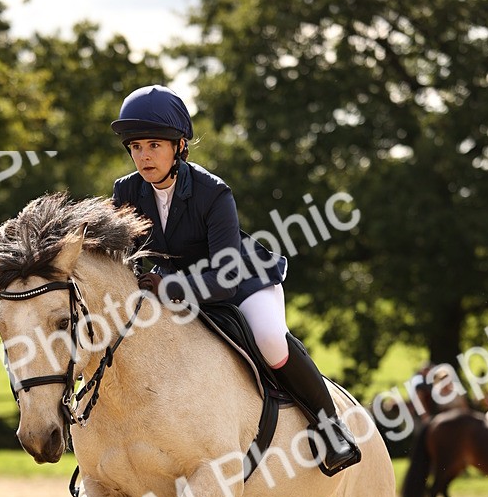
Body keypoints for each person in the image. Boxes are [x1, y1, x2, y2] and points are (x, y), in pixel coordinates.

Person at [110, 84, 360, 476]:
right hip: (171, 289)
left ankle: (333, 429)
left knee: (271, 342)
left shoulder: (213, 192)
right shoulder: (125, 191)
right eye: (136, 147)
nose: (143, 156)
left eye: (154, 145)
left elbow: (224, 279)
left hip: (240, 283)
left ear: (178, 146)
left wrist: (170, 288)